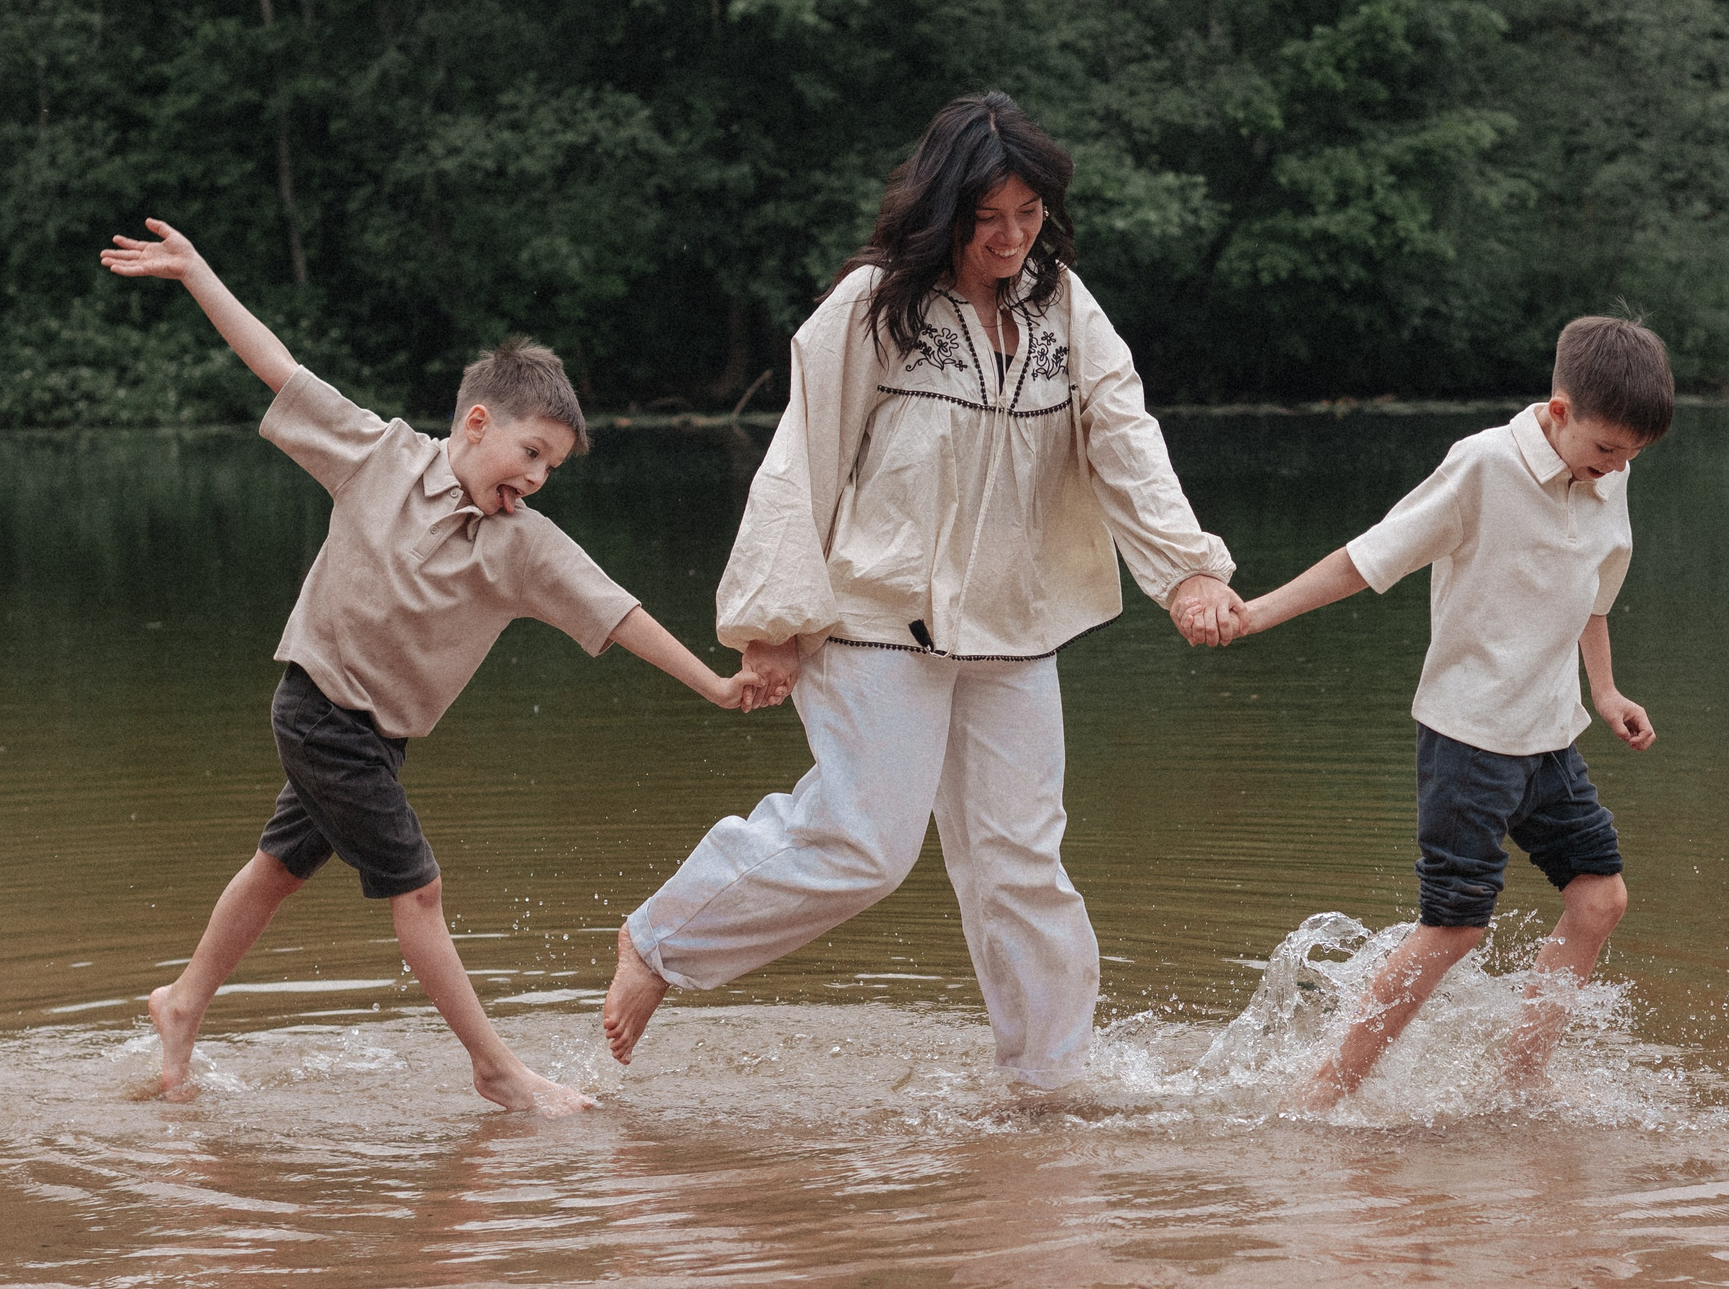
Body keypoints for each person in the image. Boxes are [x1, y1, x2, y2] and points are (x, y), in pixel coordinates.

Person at [599, 93, 1243, 1090]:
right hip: (872, 616)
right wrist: (771, 623)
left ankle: (1047, 1082)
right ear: (943, 207)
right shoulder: (868, 307)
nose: (1010, 238)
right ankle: (660, 940)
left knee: (1023, 865)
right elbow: (798, 464)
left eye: (1029, 215)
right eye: (989, 218)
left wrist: (1188, 570)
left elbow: (1122, 434)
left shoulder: (1061, 305)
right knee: (867, 843)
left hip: (1013, 627)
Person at [101, 219, 766, 1114]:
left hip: (378, 740)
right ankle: (496, 1069)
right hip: (316, 711)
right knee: (419, 893)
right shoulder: (377, 456)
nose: (536, 478)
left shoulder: (521, 545)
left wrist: (718, 684)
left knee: (279, 867)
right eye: (531, 453)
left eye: (553, 467)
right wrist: (197, 274)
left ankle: (181, 1004)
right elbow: (278, 367)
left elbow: (621, 612)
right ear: (477, 422)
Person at [1232, 316, 1671, 1108]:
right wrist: (1257, 613)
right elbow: (1370, 558)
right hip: (1470, 736)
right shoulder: (1483, 466)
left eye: (1633, 455)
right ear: (1561, 410)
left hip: (1547, 738)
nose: (1618, 467)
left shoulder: (1611, 473)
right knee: (1457, 927)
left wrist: (1604, 692)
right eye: (1608, 449)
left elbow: (1593, 596)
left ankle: (1518, 1084)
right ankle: (1321, 1095)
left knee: (1601, 901)